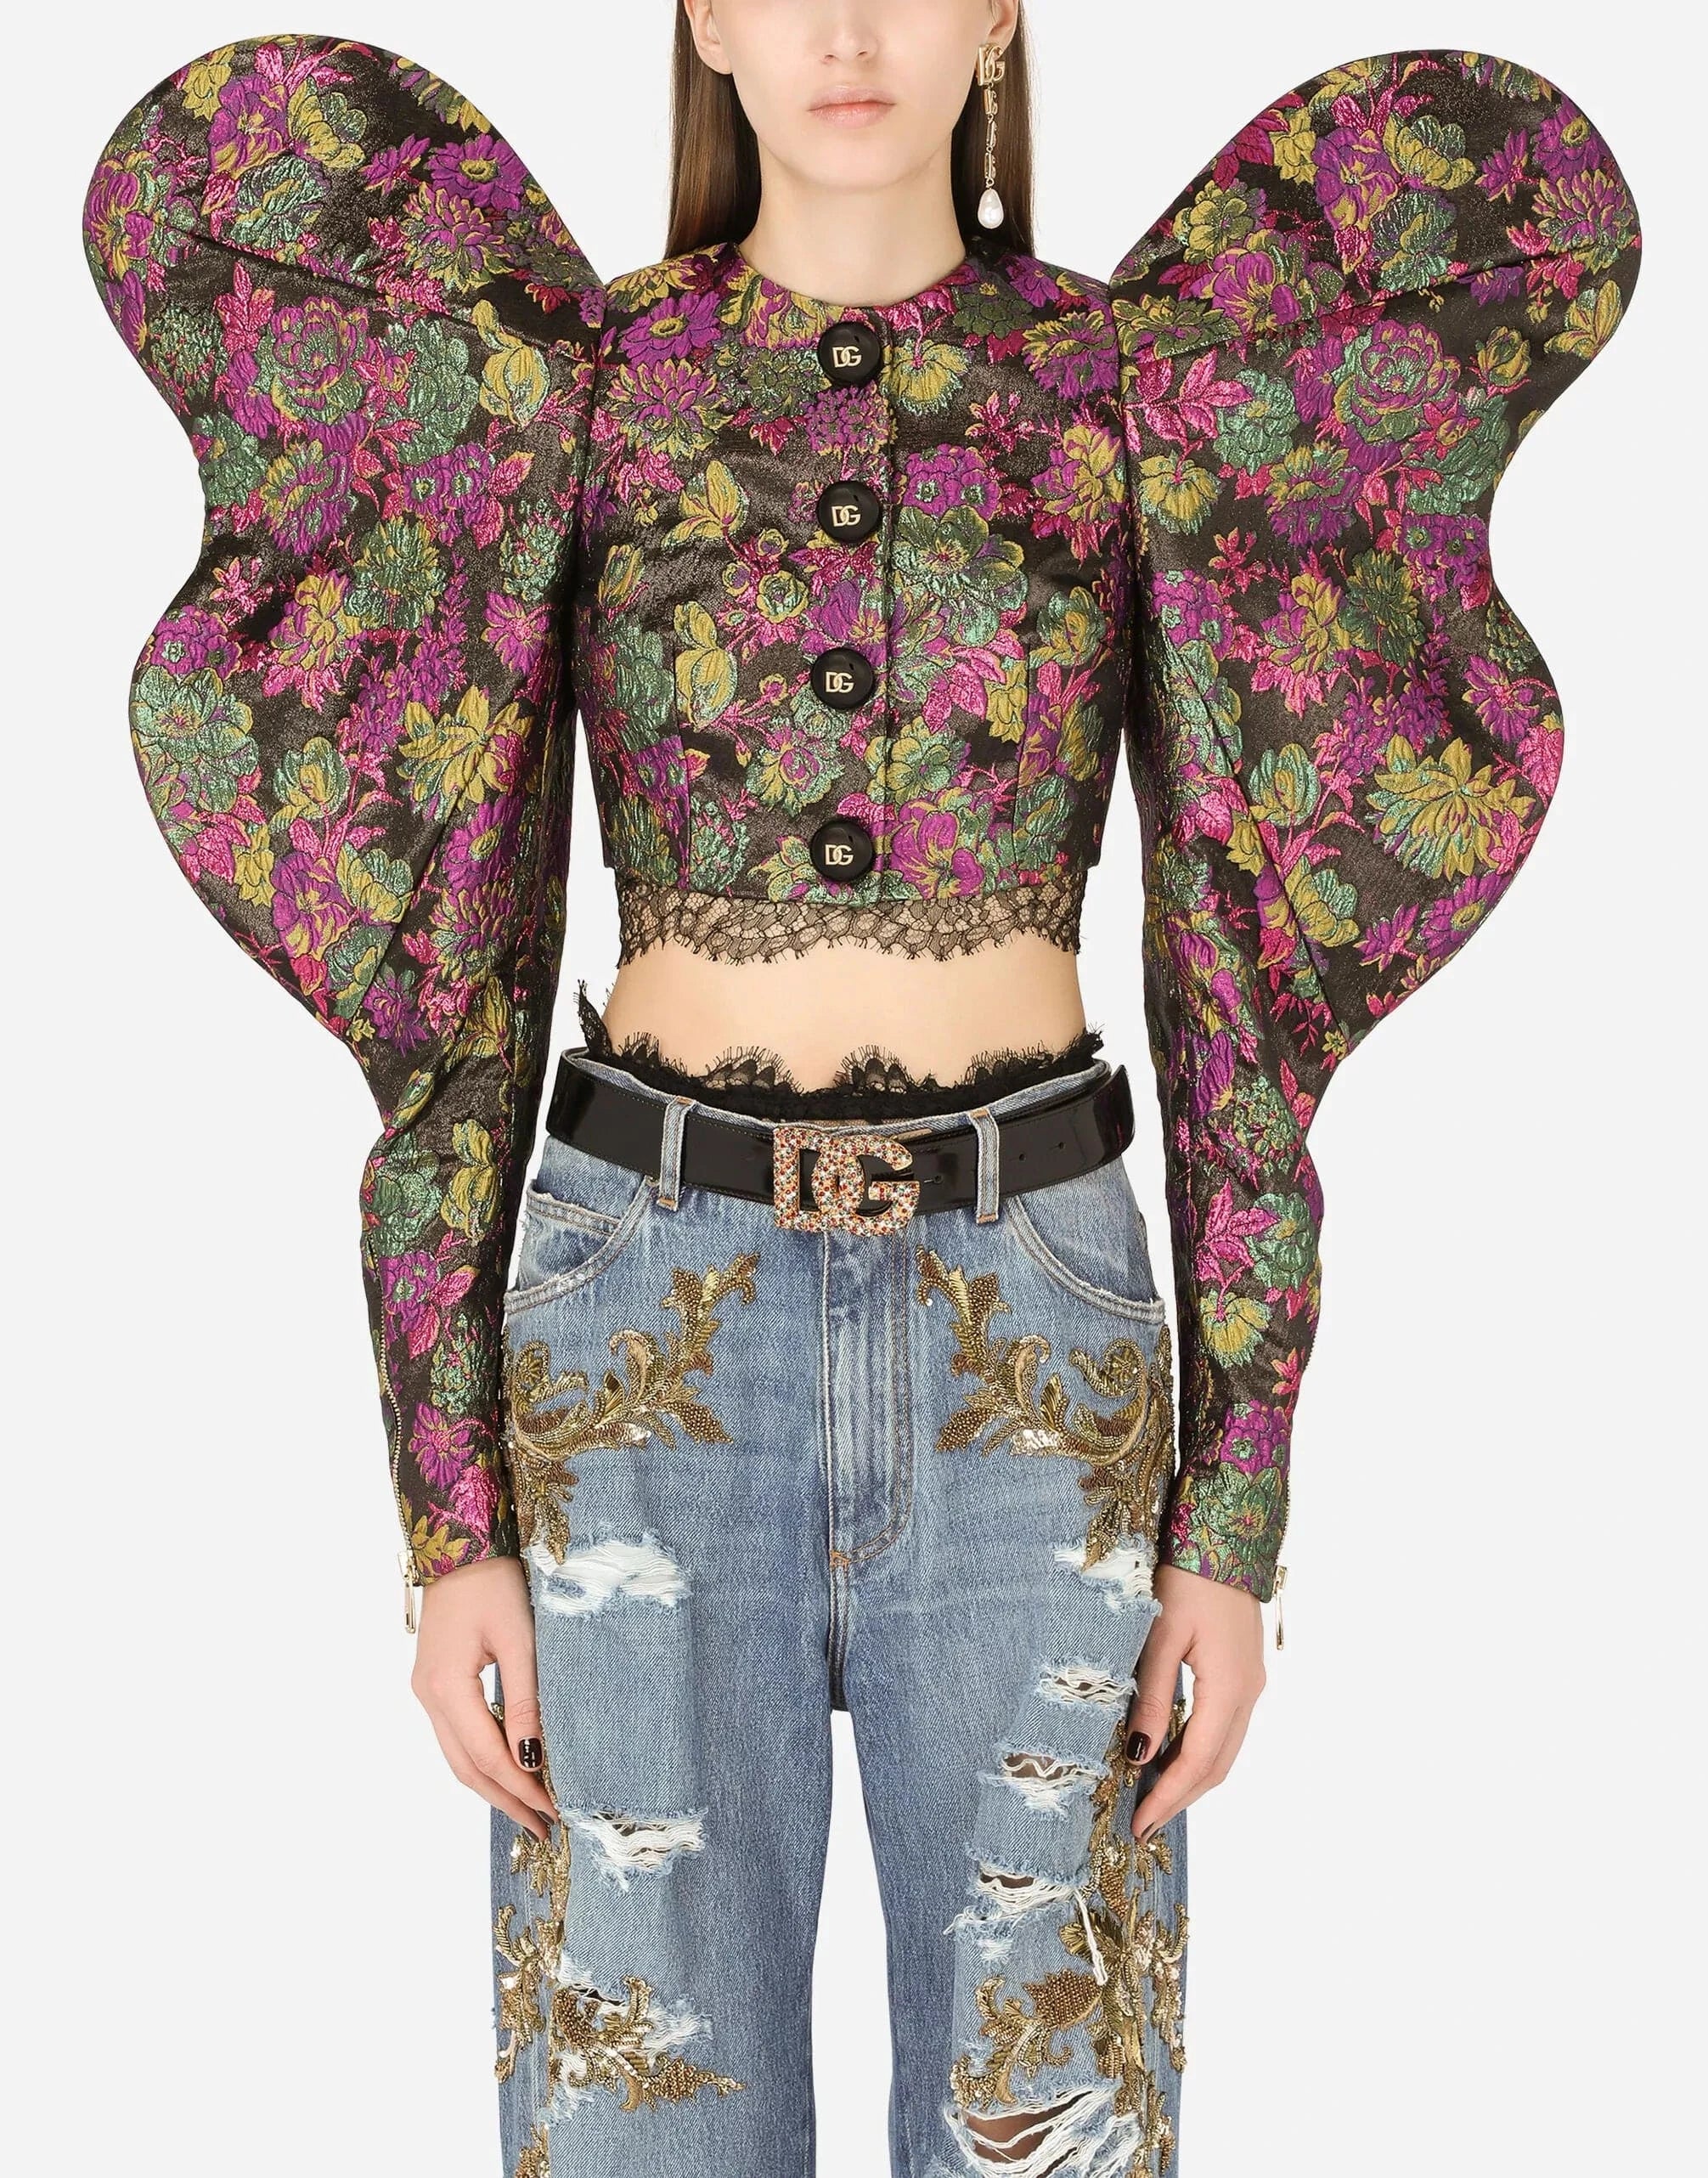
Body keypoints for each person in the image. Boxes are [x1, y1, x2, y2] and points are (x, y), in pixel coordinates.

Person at [80, 7, 1639, 2171]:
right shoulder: (579, 383)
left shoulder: (1128, 386)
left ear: (997, 7)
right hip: (641, 1313)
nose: (844, 29)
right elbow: (467, 968)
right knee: (635, 2104)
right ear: (702, 13)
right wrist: (449, 1515)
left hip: (1037, 1324)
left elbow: (1227, 973)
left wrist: (1234, 1514)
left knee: (1046, 2111)